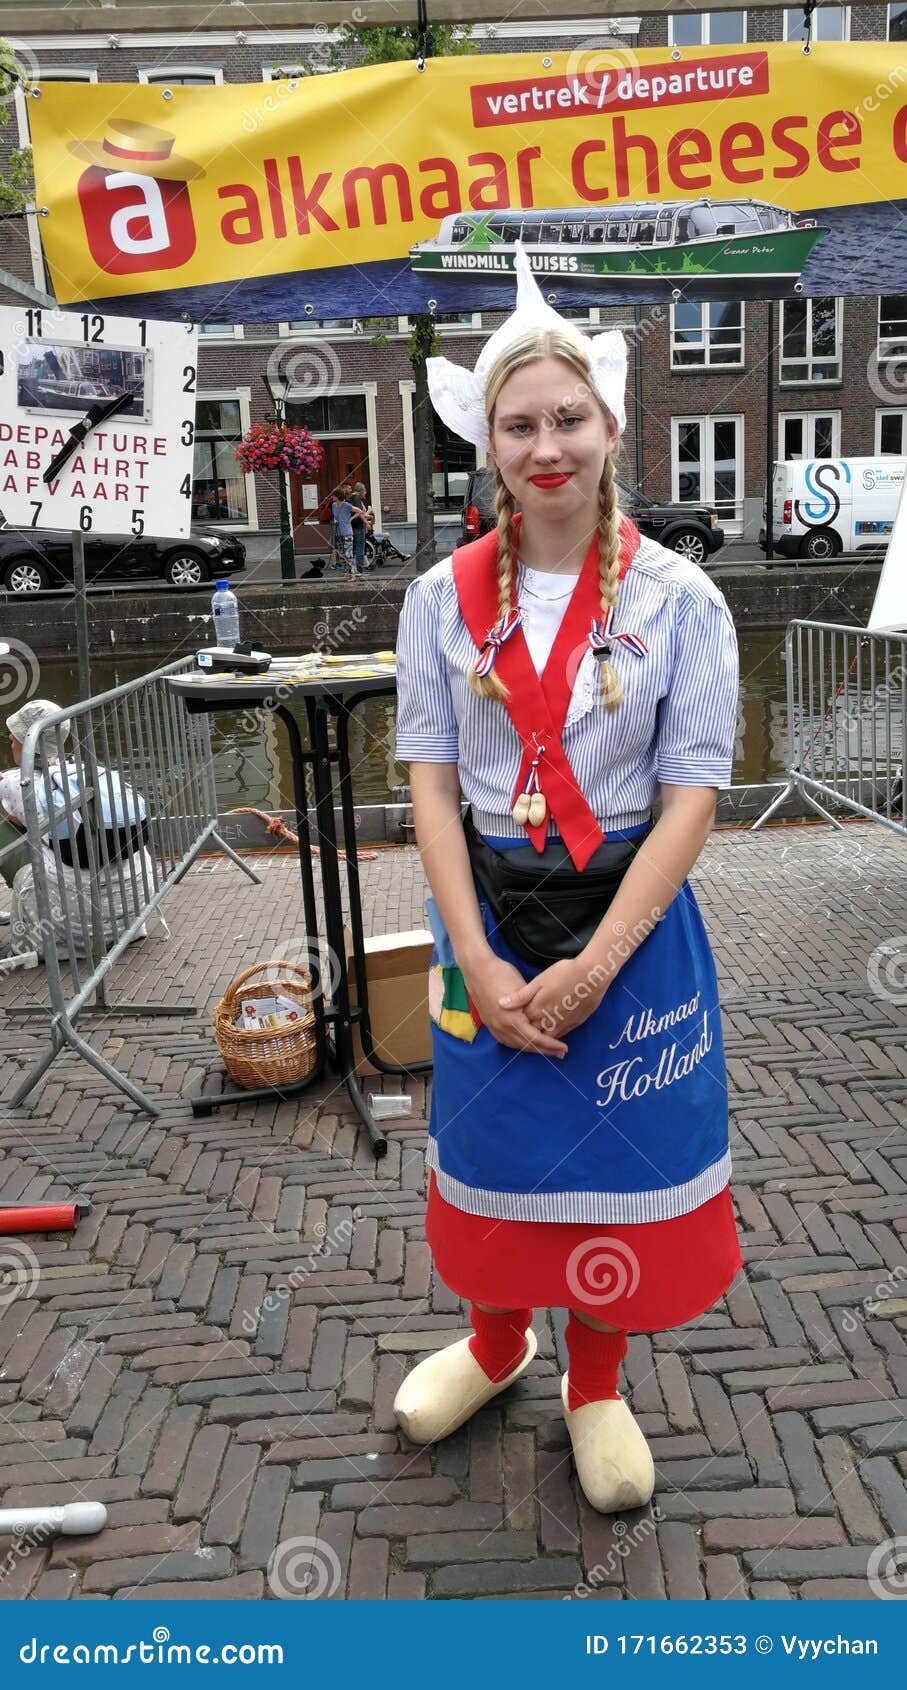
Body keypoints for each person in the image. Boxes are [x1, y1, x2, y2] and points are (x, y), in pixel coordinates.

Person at [392, 246, 741, 1515]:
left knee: (612, 1161)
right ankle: (497, 1346)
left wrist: (598, 964)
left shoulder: (681, 596)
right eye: (520, 423)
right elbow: (430, 779)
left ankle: (595, 1381)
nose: (548, 446)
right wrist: (477, 959)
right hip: (485, 909)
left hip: (629, 924)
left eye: (569, 419)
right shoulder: (438, 598)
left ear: (608, 426)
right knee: (494, 1150)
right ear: (487, 442)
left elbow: (695, 790)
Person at [0, 698, 154, 959]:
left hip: (72, 930)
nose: (10, 742)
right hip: (129, 917)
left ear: (26, 742)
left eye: (13, 737)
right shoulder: (90, 774)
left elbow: (14, 821)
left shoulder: (17, 785)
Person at [331, 483, 355, 576]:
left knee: (348, 554)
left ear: (337, 496)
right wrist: (336, 520)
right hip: (338, 533)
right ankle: (346, 572)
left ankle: (352, 574)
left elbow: (359, 511)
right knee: (342, 555)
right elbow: (336, 517)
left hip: (347, 533)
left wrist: (350, 519)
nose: (332, 497)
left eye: (333, 495)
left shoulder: (347, 505)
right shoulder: (333, 505)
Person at [350, 480, 370, 576]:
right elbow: (360, 513)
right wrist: (366, 522)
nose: (365, 492)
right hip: (358, 527)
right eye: (365, 490)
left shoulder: (350, 498)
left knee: (354, 548)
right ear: (361, 490)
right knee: (359, 549)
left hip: (352, 527)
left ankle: (354, 569)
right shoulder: (356, 498)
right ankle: (359, 570)